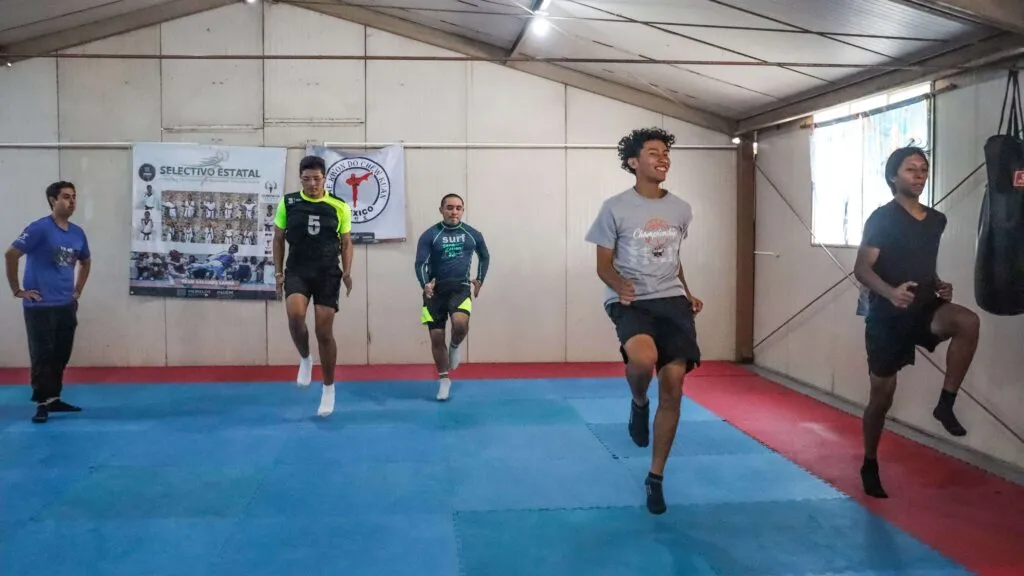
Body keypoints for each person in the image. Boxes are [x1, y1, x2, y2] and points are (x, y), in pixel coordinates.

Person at [584, 127, 704, 515]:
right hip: (630, 301)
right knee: (642, 359)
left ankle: (655, 477)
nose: (662, 157)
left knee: (673, 385)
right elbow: (603, 265)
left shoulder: (681, 209)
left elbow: (672, 257)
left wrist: (688, 291)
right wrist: (620, 284)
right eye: (653, 152)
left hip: (672, 301)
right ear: (633, 162)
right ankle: (638, 401)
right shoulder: (614, 207)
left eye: (666, 152)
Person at [853, 146, 981, 499]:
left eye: (923, 169)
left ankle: (946, 403)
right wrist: (890, 293)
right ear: (893, 176)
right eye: (911, 169)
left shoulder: (937, 220)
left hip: (923, 306)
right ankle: (869, 461)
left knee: (968, 322)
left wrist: (939, 283)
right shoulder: (881, 218)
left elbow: (922, 262)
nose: (919, 175)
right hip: (887, 316)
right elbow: (862, 269)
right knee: (882, 397)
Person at [272, 155, 354, 417]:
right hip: (298, 269)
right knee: (295, 316)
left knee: (324, 331)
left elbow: (346, 242)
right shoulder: (288, 203)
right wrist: (278, 272)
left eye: (317, 179)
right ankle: (306, 358)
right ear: (300, 179)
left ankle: (328, 388)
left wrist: (347, 272)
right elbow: (278, 238)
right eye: (306, 179)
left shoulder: (339, 206)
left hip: (327, 273)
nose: (312, 184)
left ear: (324, 178)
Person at [4, 181, 92, 424]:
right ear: (53, 201)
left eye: (74, 197)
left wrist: (78, 290)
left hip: (66, 304)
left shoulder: (77, 233)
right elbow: (11, 254)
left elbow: (85, 261)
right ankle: (41, 403)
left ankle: (54, 398)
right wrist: (17, 290)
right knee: (42, 355)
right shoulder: (39, 228)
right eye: (66, 197)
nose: (72, 201)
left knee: (60, 354)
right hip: (40, 306)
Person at [413, 193, 490, 401]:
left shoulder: (472, 234)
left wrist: (480, 279)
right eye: (449, 208)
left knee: (460, 324)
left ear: (462, 210)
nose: (454, 212)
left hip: (460, 288)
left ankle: (455, 346)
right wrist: (425, 285)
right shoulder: (430, 235)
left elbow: (484, 256)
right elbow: (420, 263)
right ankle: (444, 379)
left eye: (458, 208)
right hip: (434, 292)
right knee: (437, 337)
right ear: (441, 210)